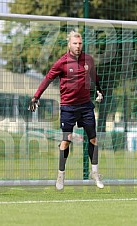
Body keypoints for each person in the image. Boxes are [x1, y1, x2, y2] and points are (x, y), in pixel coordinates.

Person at [28, 30, 104, 189]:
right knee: (66, 141)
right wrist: (36, 96)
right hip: (68, 108)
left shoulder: (88, 60)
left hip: (85, 106)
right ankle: (60, 175)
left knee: (93, 139)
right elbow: (48, 79)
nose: (78, 46)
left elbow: (95, 76)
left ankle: (95, 172)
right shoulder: (61, 62)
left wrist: (99, 90)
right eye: (75, 43)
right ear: (69, 44)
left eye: (80, 43)